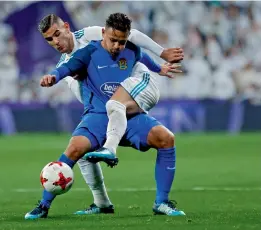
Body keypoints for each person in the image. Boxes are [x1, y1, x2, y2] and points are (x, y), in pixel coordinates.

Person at [26, 13, 185, 219]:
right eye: (50, 39)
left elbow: (139, 54)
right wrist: (53, 77)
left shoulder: (123, 46)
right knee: (75, 149)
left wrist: (159, 67)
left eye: (121, 41)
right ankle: (44, 205)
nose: (117, 45)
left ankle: (161, 202)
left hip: (128, 116)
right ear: (104, 36)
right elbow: (66, 68)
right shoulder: (88, 52)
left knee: (166, 138)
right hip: (98, 115)